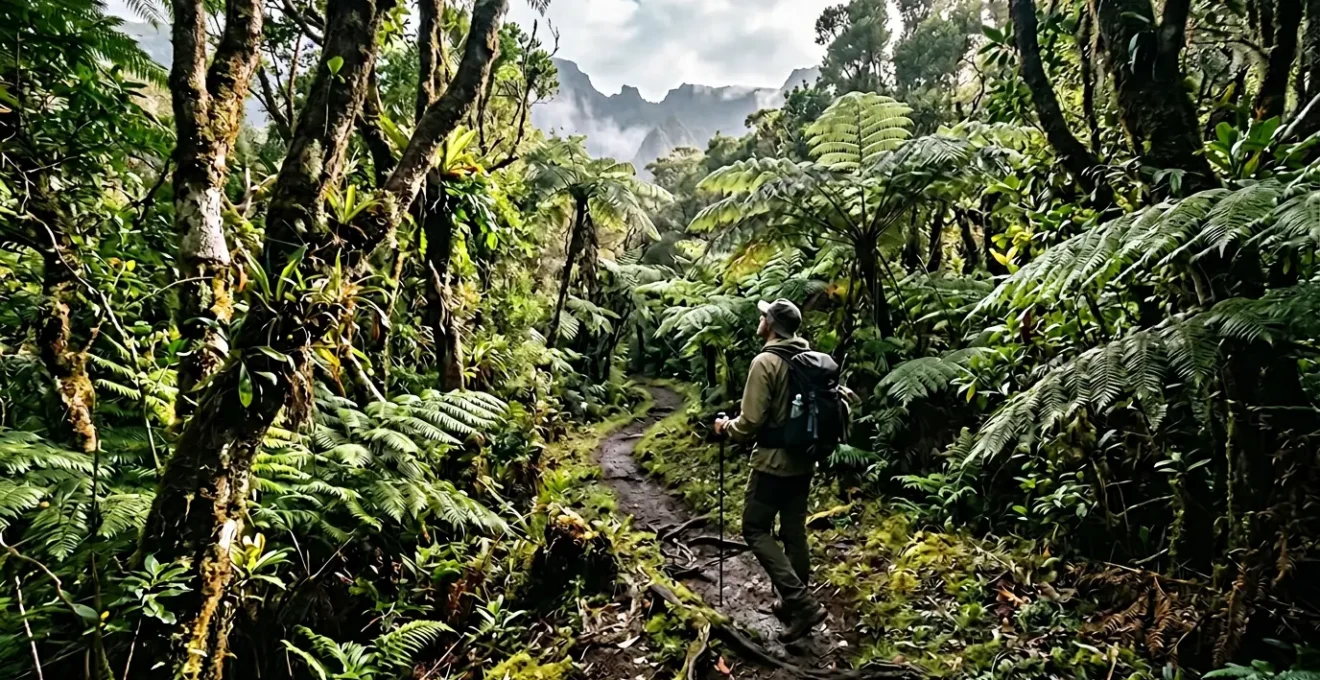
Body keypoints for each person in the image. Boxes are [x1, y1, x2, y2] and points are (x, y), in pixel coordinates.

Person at [714, 298, 828, 643]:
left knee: (755, 528)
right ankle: (795, 607)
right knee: (794, 532)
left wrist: (725, 428)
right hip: (804, 460)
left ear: (772, 325)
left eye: (764, 316)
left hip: (772, 464)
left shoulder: (766, 361)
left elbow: (750, 421)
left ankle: (801, 602)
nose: (760, 319)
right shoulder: (809, 359)